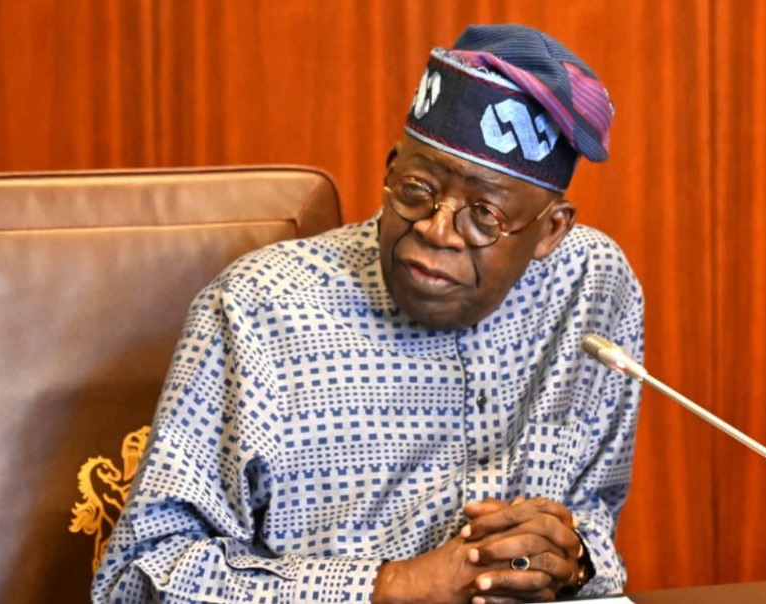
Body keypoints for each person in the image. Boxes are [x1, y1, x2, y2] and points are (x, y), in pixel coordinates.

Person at [93, 23, 644, 604]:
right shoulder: (257, 309)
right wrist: (394, 586)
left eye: (484, 215)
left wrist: (570, 560)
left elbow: (591, 514)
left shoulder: (592, 288)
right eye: (416, 190)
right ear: (389, 171)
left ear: (550, 231)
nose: (437, 230)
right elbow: (135, 579)